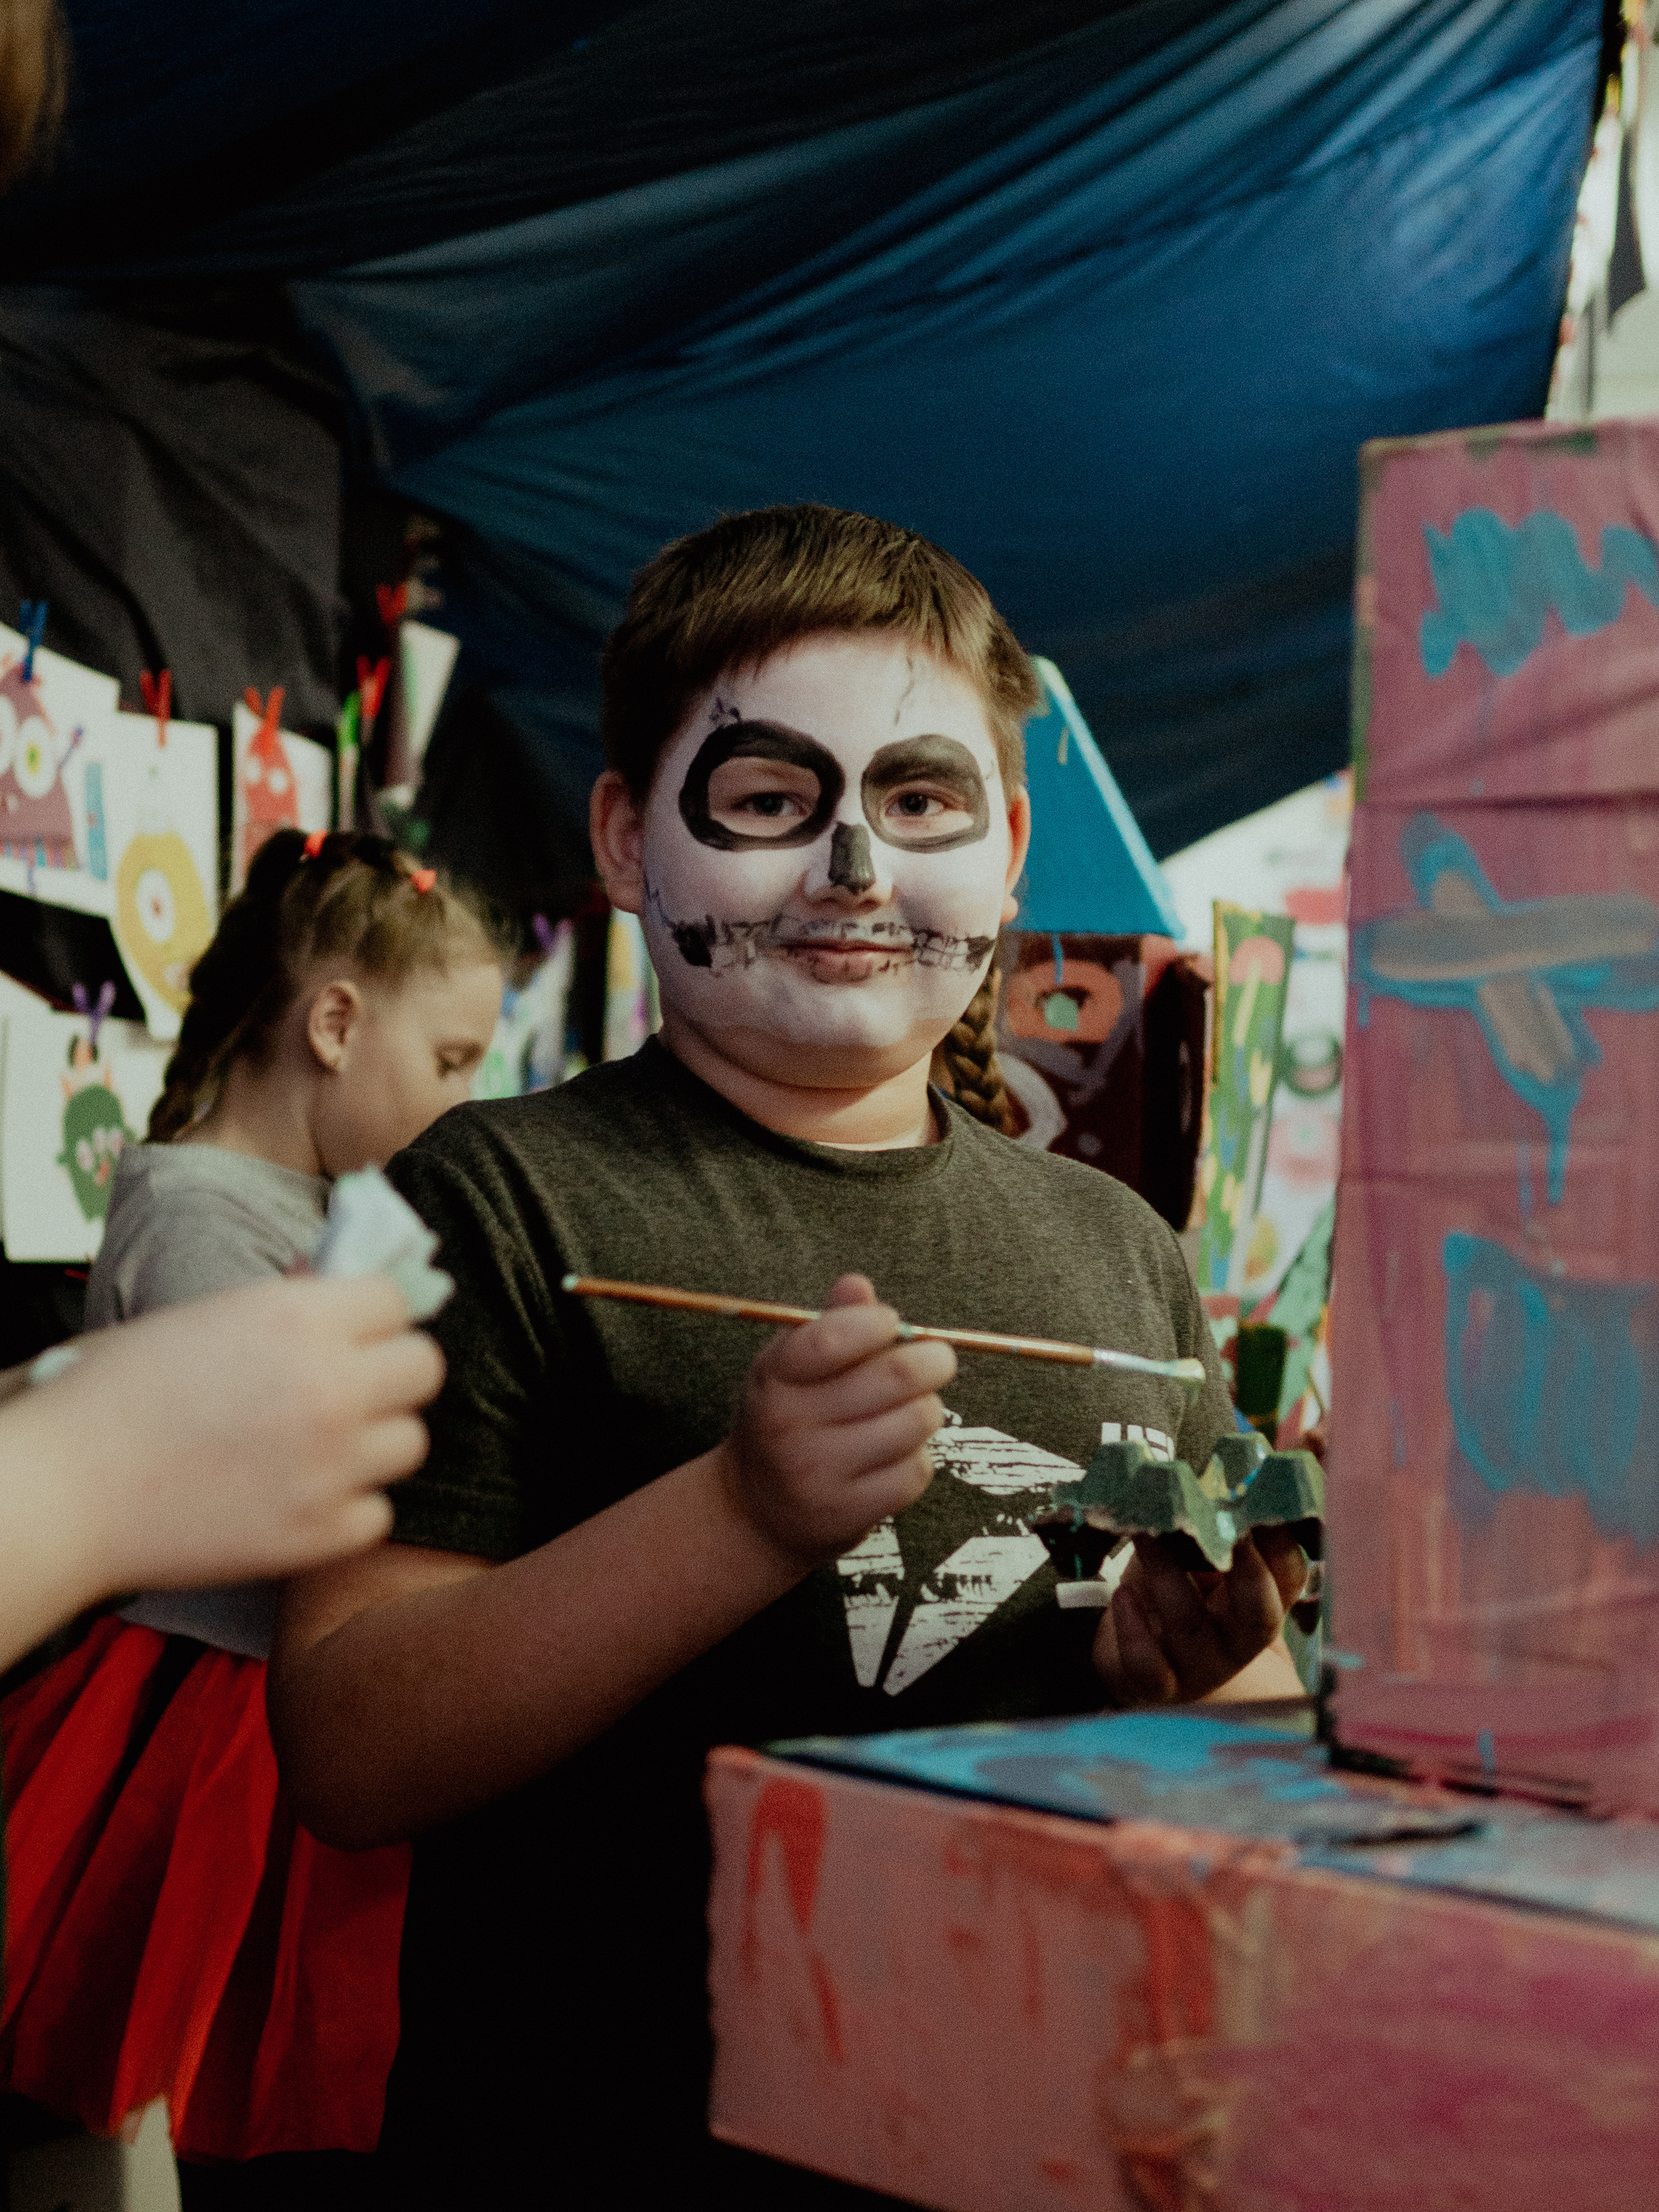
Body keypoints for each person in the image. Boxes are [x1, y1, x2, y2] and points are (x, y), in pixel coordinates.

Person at [267, 505, 1307, 2210]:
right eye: (766, 801)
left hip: (1026, 2130)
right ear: (624, 838)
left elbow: (1240, 1748)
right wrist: (740, 1512)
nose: (855, 871)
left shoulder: (1118, 1246)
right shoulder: (488, 1198)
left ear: (1012, 843)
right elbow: (351, 1745)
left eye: (918, 801)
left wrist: (1196, 1670)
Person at [0, 829, 505, 2210]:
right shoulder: (199, 1207)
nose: (470, 1101)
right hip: (208, 1707)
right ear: (335, 1024)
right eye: (453, 1061)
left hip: (260, 1682)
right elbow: (250, 1473)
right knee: (248, 2081)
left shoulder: (314, 1203)